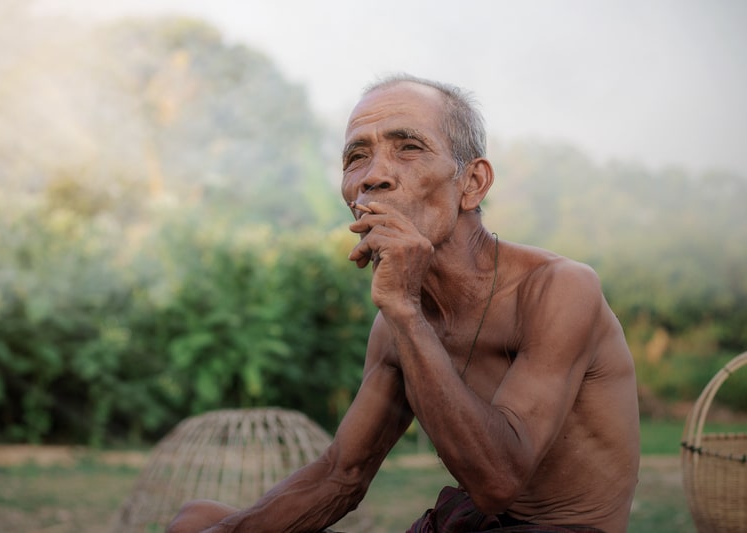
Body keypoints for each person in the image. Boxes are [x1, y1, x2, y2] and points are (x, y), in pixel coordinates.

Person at [167, 74, 640, 533]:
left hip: (559, 529)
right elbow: (342, 477)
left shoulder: (557, 288)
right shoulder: (400, 315)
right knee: (197, 521)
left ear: (472, 183)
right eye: (357, 157)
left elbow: (497, 483)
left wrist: (405, 312)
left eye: (408, 147)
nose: (374, 177)